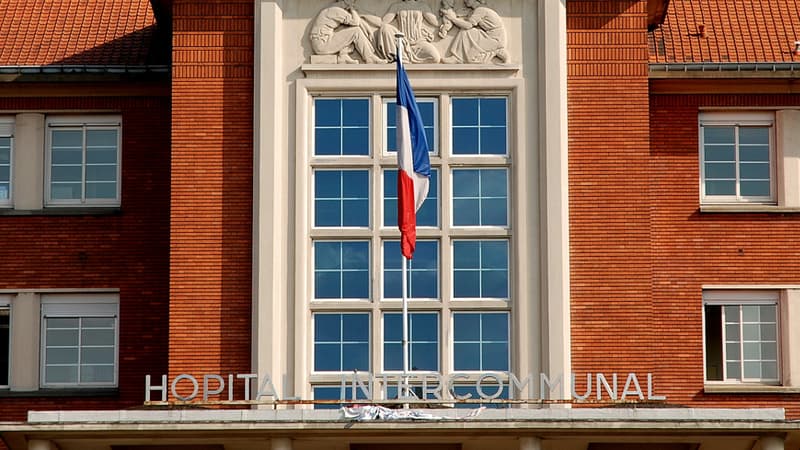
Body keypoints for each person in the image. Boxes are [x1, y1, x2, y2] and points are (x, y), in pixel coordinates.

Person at [310, 0, 387, 64]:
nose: (353, 2)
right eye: (352, 1)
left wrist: (368, 29)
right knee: (355, 31)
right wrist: (352, 9)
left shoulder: (333, 9)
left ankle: (343, 55)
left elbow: (358, 22)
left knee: (348, 29)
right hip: (323, 44)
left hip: (322, 41)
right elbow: (356, 22)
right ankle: (369, 57)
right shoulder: (335, 10)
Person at [442, 0, 509, 64]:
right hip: (491, 36)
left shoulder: (480, 10)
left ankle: (457, 58)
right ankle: (458, 57)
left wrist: (452, 18)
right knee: (468, 32)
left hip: (495, 39)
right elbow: (466, 21)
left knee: (466, 31)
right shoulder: (479, 9)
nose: (465, 1)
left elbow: (468, 25)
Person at [377, 0, 441, 63]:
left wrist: (449, 16)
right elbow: (383, 22)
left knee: (436, 58)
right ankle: (403, 57)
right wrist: (367, 16)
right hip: (402, 42)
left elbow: (436, 22)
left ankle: (410, 60)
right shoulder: (397, 6)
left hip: (419, 42)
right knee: (385, 28)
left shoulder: (422, 6)